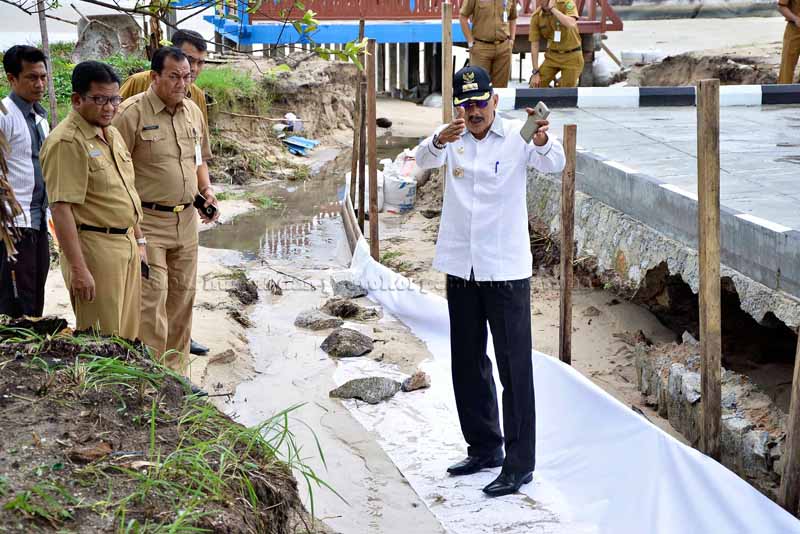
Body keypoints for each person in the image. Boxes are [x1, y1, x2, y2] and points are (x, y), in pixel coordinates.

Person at [415, 66, 565, 498]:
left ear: (494, 100)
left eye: (480, 102)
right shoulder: (453, 139)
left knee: (514, 368)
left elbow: (554, 162)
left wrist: (543, 140)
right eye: (466, 104)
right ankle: (484, 448)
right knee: (467, 361)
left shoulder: (519, 137)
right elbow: (420, 161)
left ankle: (519, 465)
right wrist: (438, 139)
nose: (474, 111)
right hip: (461, 266)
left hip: (505, 271)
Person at [113, 47, 218, 373]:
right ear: (154, 76)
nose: (182, 84)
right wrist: (134, 231)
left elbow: (198, 161)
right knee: (152, 300)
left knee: (182, 298)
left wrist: (207, 192)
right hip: (148, 222)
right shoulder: (130, 114)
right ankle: (153, 376)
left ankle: (176, 374)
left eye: (186, 77)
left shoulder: (193, 112)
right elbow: (115, 173)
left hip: (185, 221)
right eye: (174, 77)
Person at [40, 61, 145, 338]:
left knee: (127, 337)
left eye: (114, 99)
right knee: (102, 339)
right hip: (95, 250)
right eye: (100, 100)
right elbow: (61, 208)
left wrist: (140, 241)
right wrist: (79, 269)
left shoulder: (111, 133)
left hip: (126, 245)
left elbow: (125, 192)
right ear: (77, 99)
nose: (109, 107)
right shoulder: (66, 142)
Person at [0, 45, 50, 317]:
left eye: (43, 77)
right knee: (16, 302)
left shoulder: (40, 117)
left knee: (35, 294)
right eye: (32, 77)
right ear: (12, 78)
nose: (39, 84)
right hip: (14, 226)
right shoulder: (4, 116)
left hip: (38, 221)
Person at [120, 29, 209, 126]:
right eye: (189, 60)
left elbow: (202, 133)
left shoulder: (198, 96)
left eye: (200, 63)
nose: (194, 68)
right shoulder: (137, 82)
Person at [459, 0, 517, 88]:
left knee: (501, 89)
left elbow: (513, 17)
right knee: (479, 86)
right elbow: (463, 16)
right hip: (481, 48)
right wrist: (470, 42)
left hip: (503, 48)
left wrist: (512, 39)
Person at [528, 0, 583, 88]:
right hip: (552, 56)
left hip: (572, 56)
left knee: (566, 91)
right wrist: (535, 72)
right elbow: (534, 45)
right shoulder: (536, 16)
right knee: (535, 86)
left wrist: (553, 9)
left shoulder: (566, 3)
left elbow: (571, 23)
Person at [778, 0, 800, 84]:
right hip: (794, 29)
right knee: (786, 68)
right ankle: (783, 91)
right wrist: (795, 19)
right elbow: (781, 7)